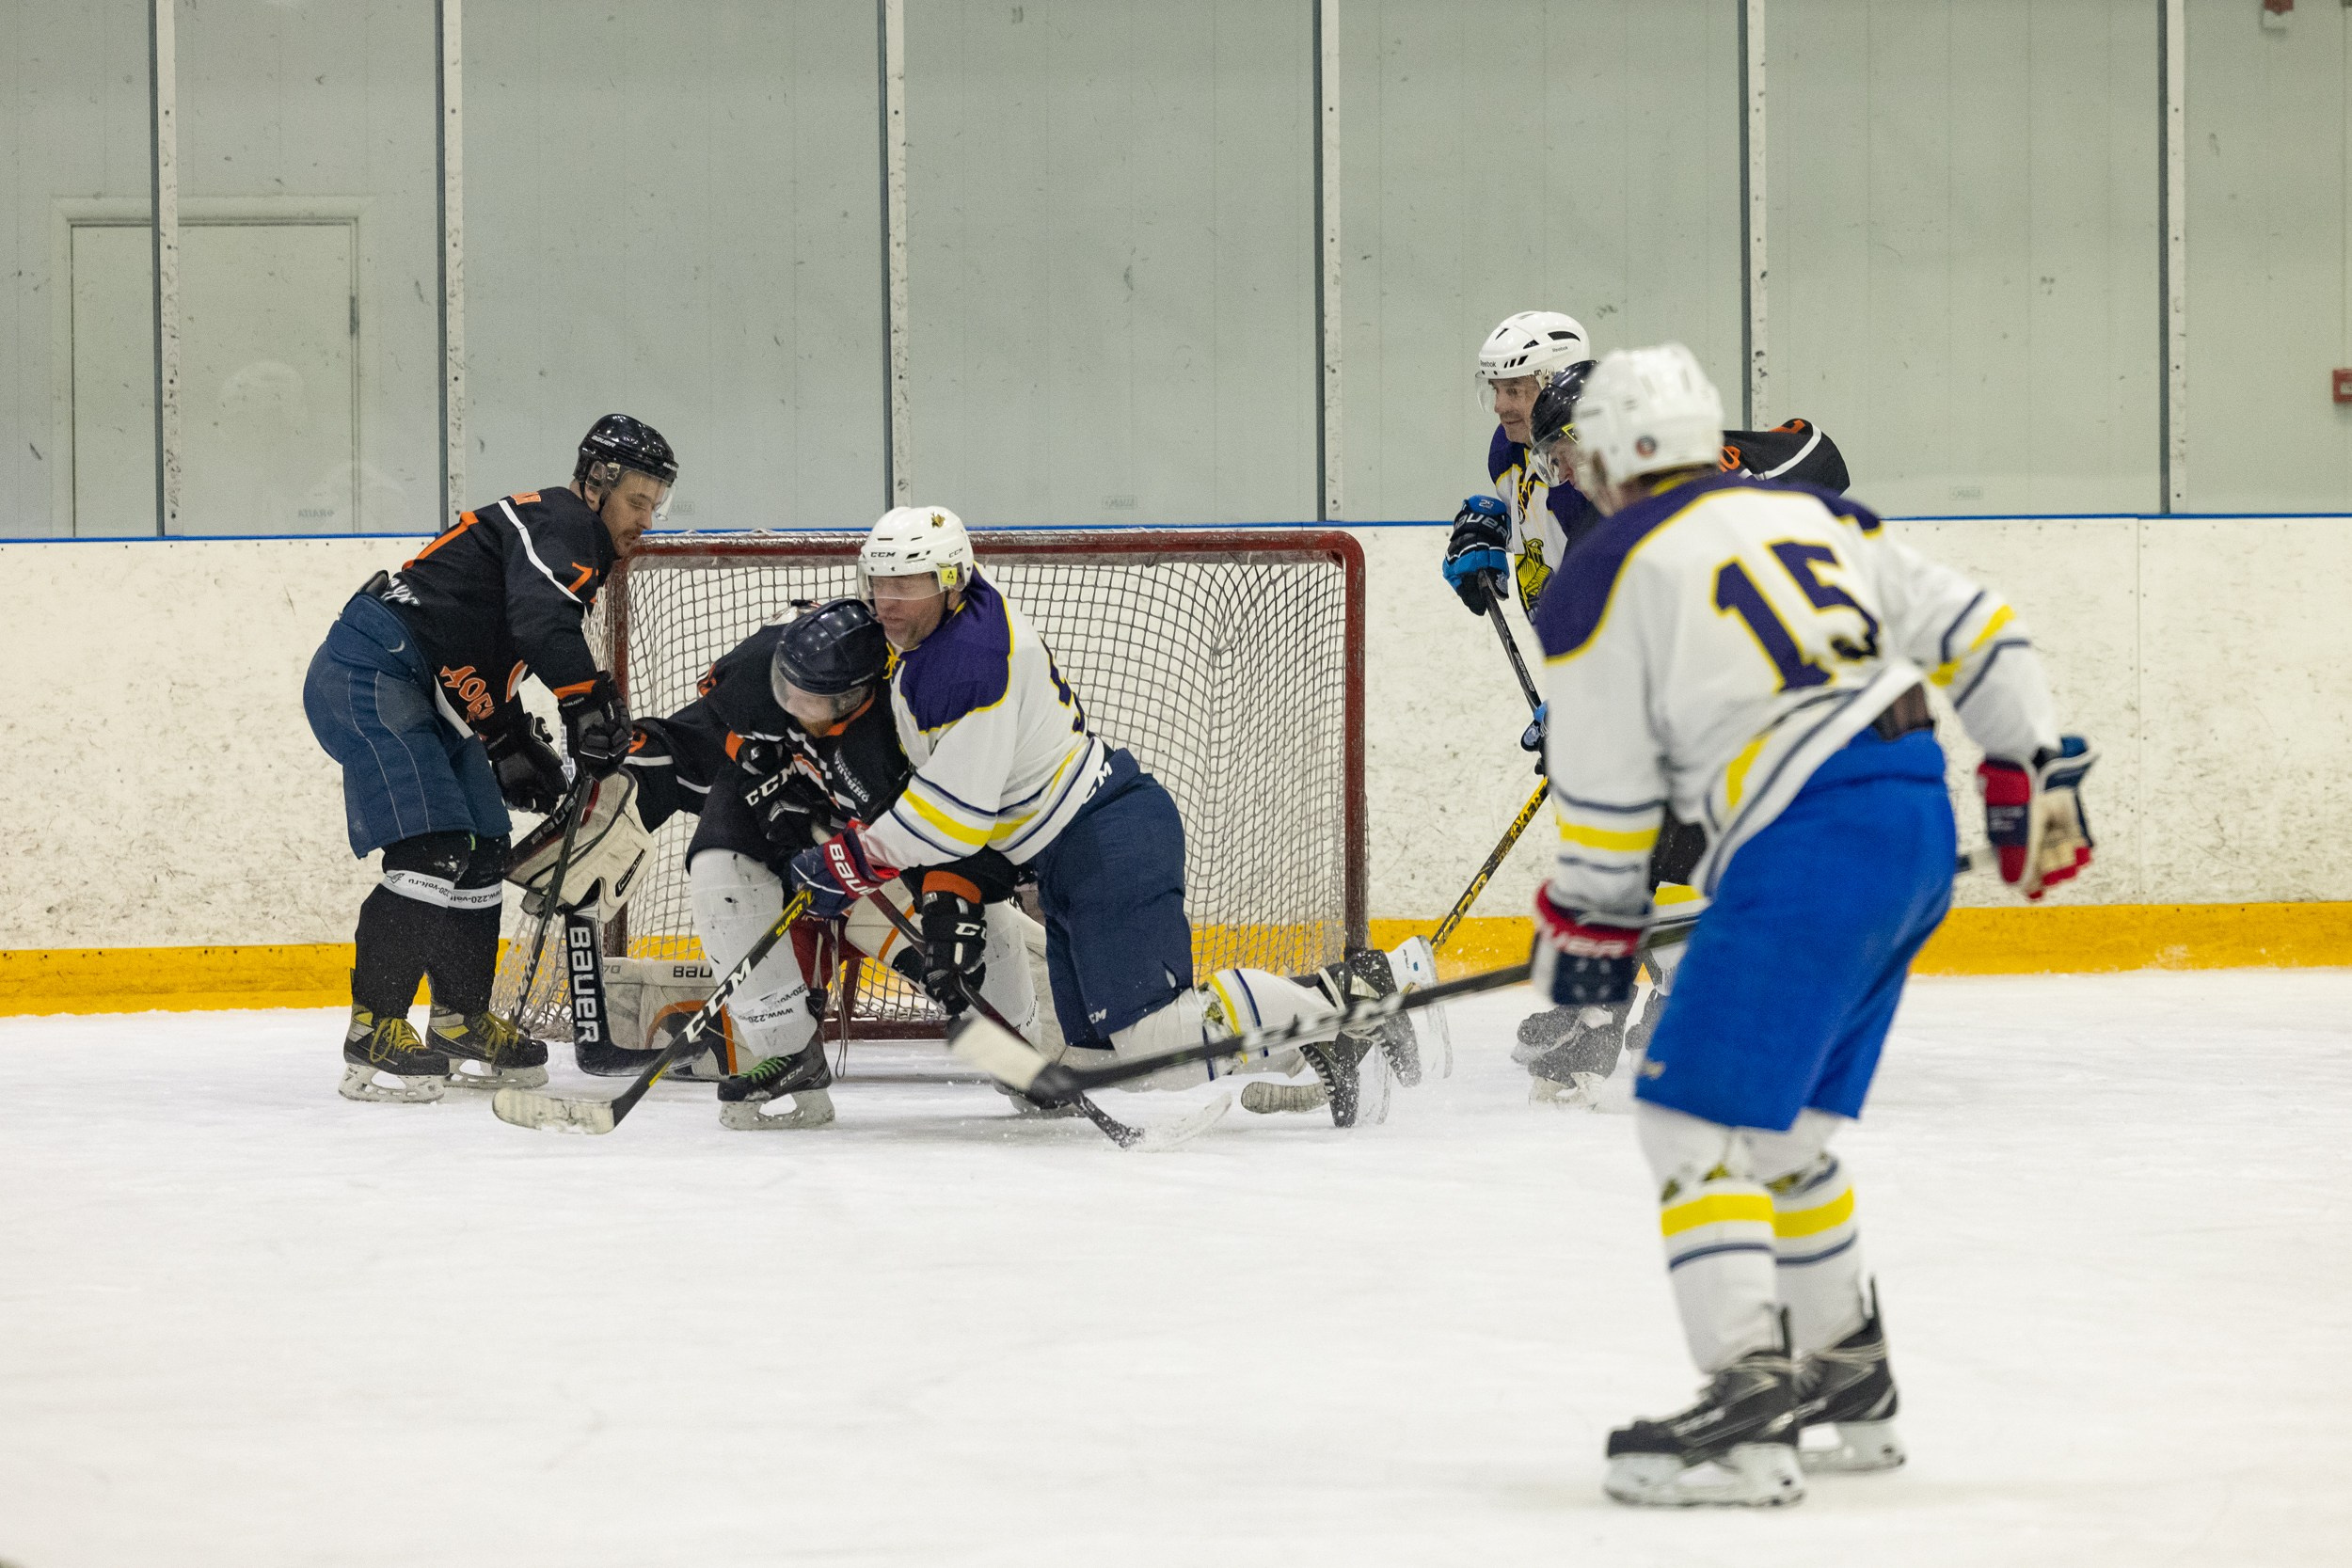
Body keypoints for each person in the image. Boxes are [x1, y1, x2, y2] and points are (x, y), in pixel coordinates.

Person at [1525, 344, 2093, 1507]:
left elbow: (1608, 785)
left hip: (1804, 836)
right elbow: (1979, 625)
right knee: (1781, 1139)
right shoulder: (1819, 515)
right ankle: (1845, 1380)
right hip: (1910, 822)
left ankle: (1744, 1416)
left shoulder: (1603, 570)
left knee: (1690, 1121)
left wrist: (1591, 921)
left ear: (1619, 453)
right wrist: (2029, 760)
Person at [783, 505, 1433, 1129]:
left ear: (951, 581)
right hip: (1068, 854)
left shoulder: (970, 663)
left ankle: (1355, 991)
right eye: (879, 581)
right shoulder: (936, 636)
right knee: (1102, 1060)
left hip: (1107, 837)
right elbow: (960, 811)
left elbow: (952, 819)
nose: (887, 600)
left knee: (1159, 1039)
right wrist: (945, 897)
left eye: (908, 583)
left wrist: (849, 861)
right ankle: (1328, 1045)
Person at [1439, 314, 1850, 1106]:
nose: (1501, 405)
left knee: (1671, 850)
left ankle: (1659, 1011)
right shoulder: (1524, 456)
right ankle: (1644, 1006)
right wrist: (1490, 520)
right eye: (1497, 387)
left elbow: (1810, 460)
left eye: (1515, 387)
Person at [301, 415, 672, 1102]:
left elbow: (472, 642)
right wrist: (585, 701)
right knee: (433, 844)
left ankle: (459, 1019)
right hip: (369, 667)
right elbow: (539, 624)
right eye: (638, 501)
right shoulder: (563, 524)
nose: (646, 518)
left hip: (422, 682)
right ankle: (374, 1026)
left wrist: (506, 739)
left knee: (482, 844)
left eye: (658, 504)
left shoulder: (560, 542)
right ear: (595, 485)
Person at [622, 597, 1043, 1130]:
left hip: (875, 845)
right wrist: (748, 762)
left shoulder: (896, 735)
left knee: (962, 935)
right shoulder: (759, 667)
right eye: (787, 690)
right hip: (779, 821)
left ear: (856, 698)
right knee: (719, 873)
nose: (793, 705)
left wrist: (943, 923)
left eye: (812, 701)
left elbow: (932, 840)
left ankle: (1021, 1052)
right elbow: (712, 726)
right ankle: (789, 1055)